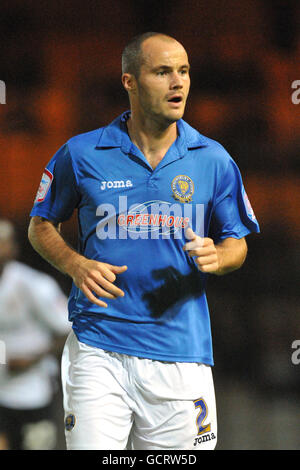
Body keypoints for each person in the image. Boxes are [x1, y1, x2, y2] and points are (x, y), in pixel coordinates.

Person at [28, 32, 260, 450]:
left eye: (184, 71)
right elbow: (40, 225)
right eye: (163, 72)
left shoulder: (213, 158)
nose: (178, 83)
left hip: (181, 351)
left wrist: (219, 255)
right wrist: (75, 263)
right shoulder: (81, 154)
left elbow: (237, 243)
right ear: (129, 81)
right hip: (99, 346)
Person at [0, 219, 71, 450]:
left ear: (12, 247)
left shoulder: (33, 285)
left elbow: (67, 331)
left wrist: (33, 358)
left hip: (34, 393)